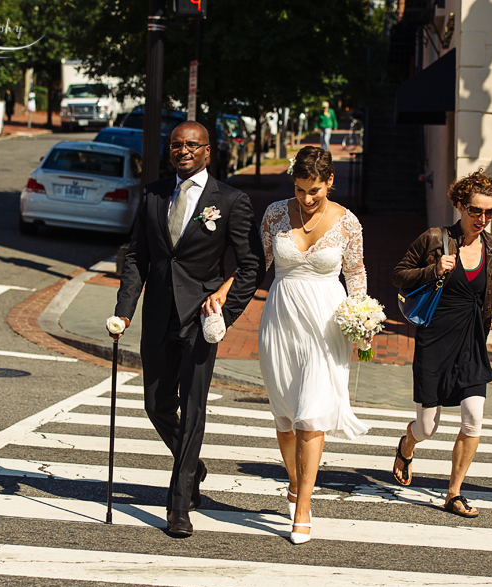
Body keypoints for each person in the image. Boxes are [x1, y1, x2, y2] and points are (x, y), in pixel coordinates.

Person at [205, 147, 369, 544]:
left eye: (314, 190)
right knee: (285, 417)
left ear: (330, 181)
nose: (307, 198)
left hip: (328, 324)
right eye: (299, 189)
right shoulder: (276, 213)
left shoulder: (348, 223)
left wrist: (363, 318)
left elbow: (357, 273)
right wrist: (226, 289)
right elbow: (256, 263)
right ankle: (295, 481)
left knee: (311, 416)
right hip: (281, 320)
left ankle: (303, 507)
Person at [111, 121, 265, 537]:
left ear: (207, 151)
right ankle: (193, 465)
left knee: (193, 409)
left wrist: (225, 310)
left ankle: (179, 505)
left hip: (200, 320)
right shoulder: (154, 195)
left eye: (191, 145)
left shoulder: (231, 200)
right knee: (157, 405)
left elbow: (252, 264)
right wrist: (125, 310)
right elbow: (136, 258)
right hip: (158, 315)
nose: (183, 151)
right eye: (176, 145)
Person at [391, 169, 492, 518]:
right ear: (461, 206)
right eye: (476, 211)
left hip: (473, 340)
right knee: (428, 426)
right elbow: (399, 275)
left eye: (490, 212)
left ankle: (454, 493)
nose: (483, 219)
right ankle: (408, 443)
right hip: (434, 340)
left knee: (473, 418)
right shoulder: (434, 239)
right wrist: (434, 270)